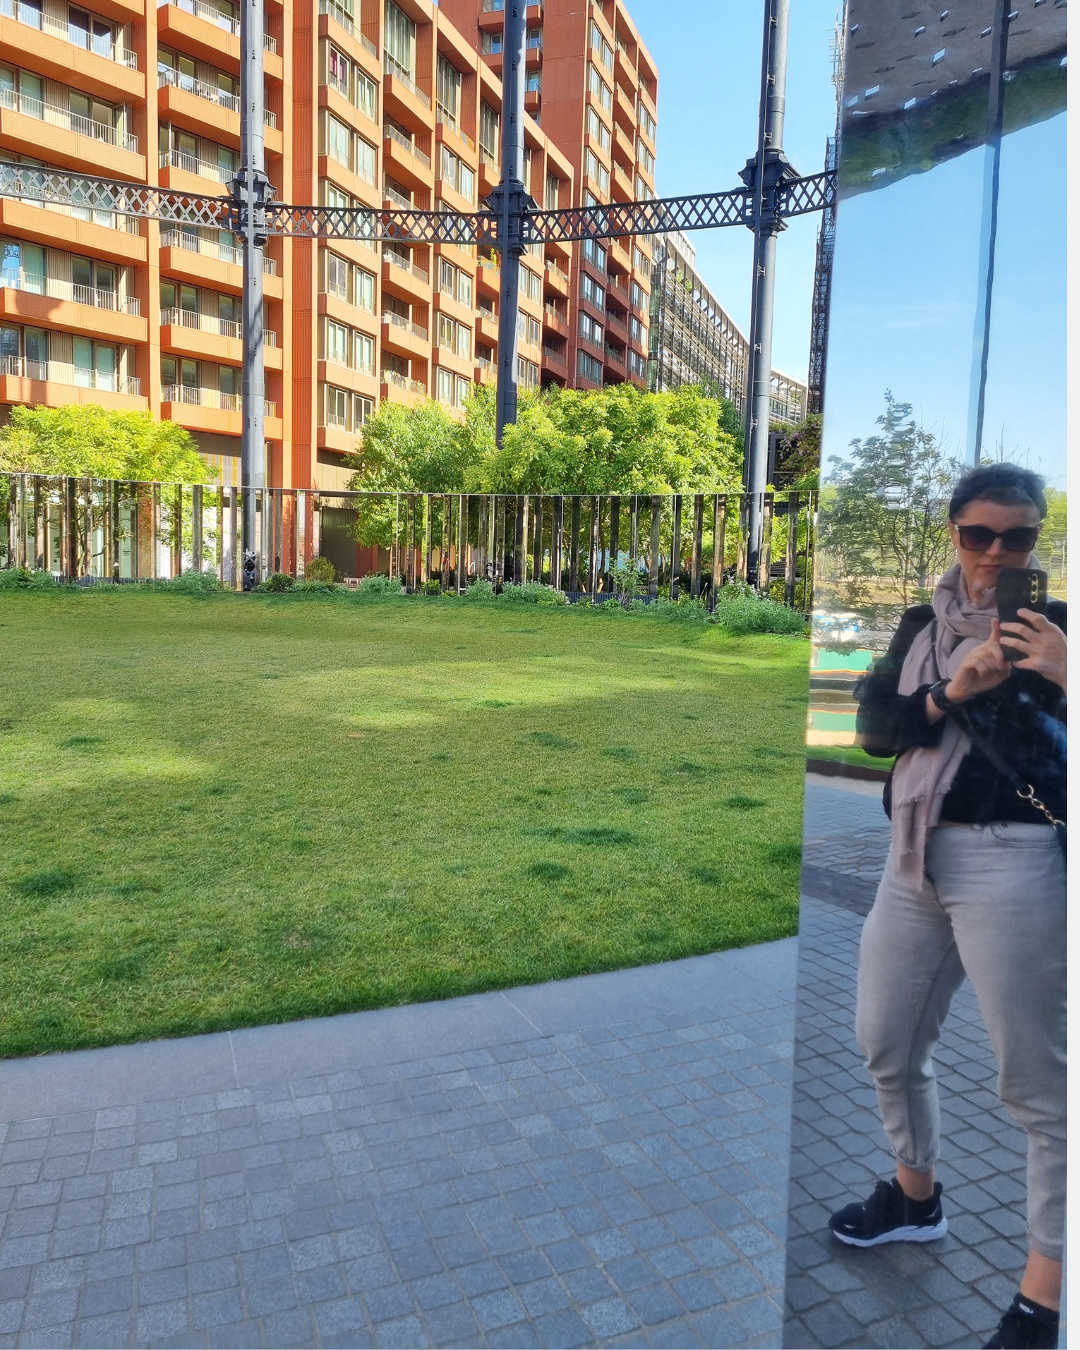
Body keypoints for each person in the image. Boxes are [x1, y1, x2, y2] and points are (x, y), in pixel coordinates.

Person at [825, 464, 1066, 1350]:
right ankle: (914, 1198)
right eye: (979, 534)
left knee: (1038, 1086)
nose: (997, 553)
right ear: (954, 532)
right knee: (885, 1040)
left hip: (1018, 860)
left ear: (1037, 541)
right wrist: (950, 690)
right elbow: (874, 733)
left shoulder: (1062, 626)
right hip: (913, 856)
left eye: (1018, 537)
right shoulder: (919, 626)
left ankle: (1044, 1299)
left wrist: (1066, 673)